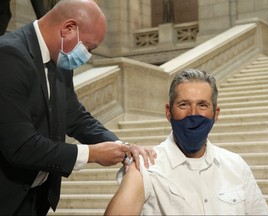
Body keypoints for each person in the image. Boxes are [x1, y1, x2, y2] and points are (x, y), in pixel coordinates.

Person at [0, 0, 154, 215]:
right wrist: (91, 153)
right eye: (89, 47)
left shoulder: (60, 61)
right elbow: (20, 146)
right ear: (68, 28)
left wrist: (120, 145)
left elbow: (76, 117)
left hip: (35, 199)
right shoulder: (8, 55)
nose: (88, 56)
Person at [104, 69, 268, 215]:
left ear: (216, 114)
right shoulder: (145, 167)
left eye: (202, 105)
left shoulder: (236, 166)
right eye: (183, 104)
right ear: (169, 112)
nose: (193, 114)